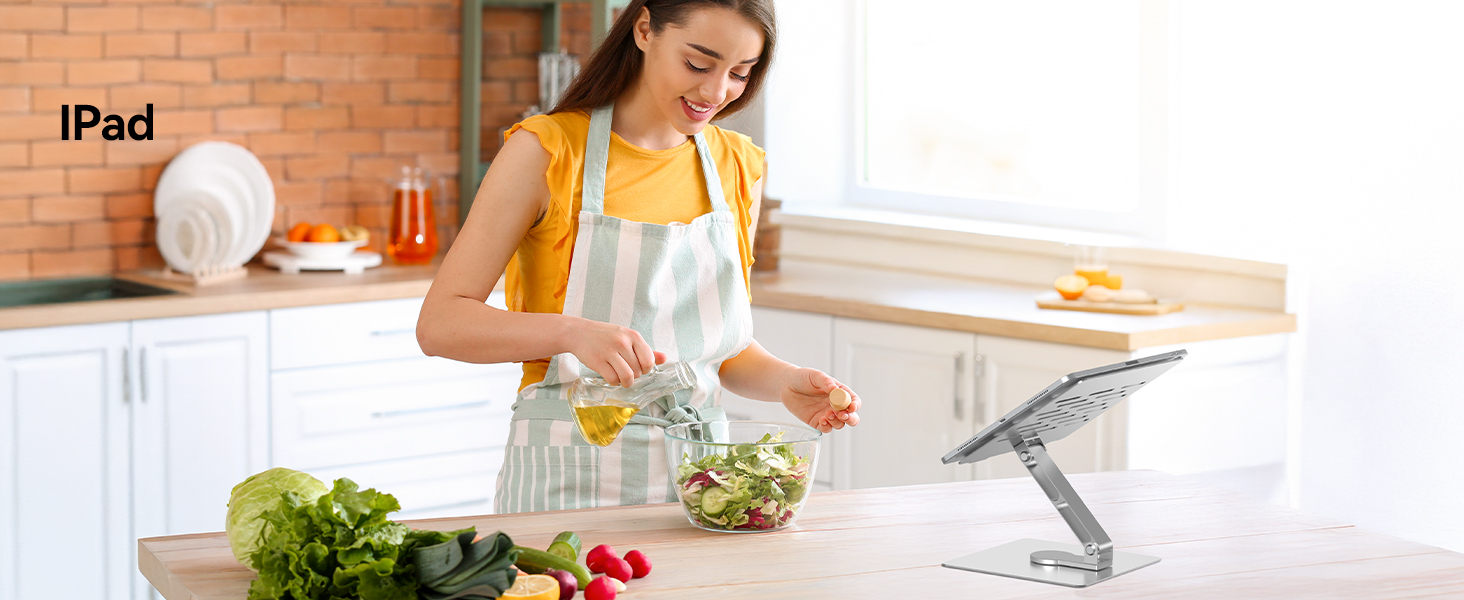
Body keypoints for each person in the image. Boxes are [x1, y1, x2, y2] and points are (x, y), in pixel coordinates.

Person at [416, 0, 861, 514]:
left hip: (702, 484)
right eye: (698, 64)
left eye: (740, 73)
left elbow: (717, 348)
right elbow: (441, 325)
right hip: (566, 481)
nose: (716, 92)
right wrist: (571, 333)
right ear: (645, 29)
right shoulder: (548, 151)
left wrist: (785, 381)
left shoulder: (738, 166)